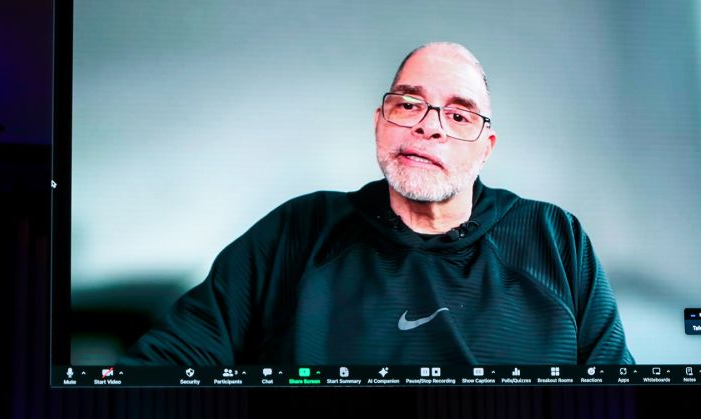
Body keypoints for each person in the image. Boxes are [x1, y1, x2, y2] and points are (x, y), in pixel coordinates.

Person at [123, 42, 632, 367]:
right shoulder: (298, 231)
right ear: (380, 123)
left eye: (459, 115)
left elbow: (622, 402)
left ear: (486, 148)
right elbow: (167, 364)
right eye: (409, 104)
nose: (429, 124)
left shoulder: (553, 237)